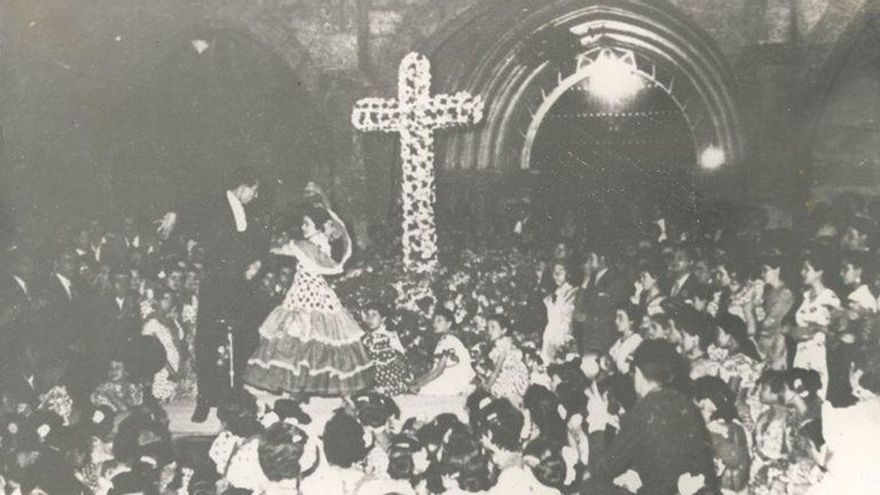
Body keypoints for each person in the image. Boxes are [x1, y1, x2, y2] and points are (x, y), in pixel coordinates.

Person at [155, 165, 269, 423]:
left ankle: (235, 394)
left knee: (243, 335)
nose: (256, 196)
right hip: (214, 282)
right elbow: (186, 206)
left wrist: (256, 263)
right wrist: (174, 216)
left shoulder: (250, 211)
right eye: (255, 190)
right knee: (207, 339)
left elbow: (254, 243)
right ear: (244, 185)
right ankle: (205, 399)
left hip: (240, 283)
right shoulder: (213, 202)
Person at [245, 190, 373, 397]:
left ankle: (296, 385)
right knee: (311, 337)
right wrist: (322, 200)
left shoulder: (306, 246)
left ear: (318, 227)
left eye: (306, 224)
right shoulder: (320, 242)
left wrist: (260, 247)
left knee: (302, 336)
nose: (302, 227)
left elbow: (281, 249)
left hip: (309, 295)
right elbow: (336, 226)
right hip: (309, 293)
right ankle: (298, 386)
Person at [582, 340, 717, 495]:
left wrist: (596, 424)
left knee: (590, 485)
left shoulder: (643, 412)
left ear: (638, 373)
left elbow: (601, 469)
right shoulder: (687, 404)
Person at [413, 309, 475, 396]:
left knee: (424, 390)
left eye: (439, 321)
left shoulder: (447, 340)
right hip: (456, 379)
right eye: (434, 321)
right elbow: (435, 370)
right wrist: (416, 382)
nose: (435, 324)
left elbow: (438, 371)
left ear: (449, 324)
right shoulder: (449, 338)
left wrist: (417, 386)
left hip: (455, 381)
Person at [361, 302, 411, 396]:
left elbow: (401, 355)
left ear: (383, 319)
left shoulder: (390, 335)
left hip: (388, 370)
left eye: (374, 315)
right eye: (368, 315)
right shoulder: (365, 338)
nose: (370, 318)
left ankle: (387, 388)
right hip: (370, 369)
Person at [484, 315, 529, 407]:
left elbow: (496, 371)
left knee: (496, 389)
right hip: (506, 374)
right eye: (488, 328)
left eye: (493, 327)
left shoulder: (504, 345)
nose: (489, 331)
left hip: (512, 377)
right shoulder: (500, 344)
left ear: (503, 330)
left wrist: (486, 390)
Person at [541, 262, 576, 363]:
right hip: (549, 333)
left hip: (562, 335)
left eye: (560, 272)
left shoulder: (571, 292)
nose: (556, 276)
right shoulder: (552, 294)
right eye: (554, 272)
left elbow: (568, 319)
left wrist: (560, 339)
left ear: (568, 273)